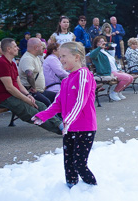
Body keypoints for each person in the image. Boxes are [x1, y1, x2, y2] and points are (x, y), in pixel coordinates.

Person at [33, 42, 98, 188]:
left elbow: (81, 101)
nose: (60, 59)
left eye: (63, 56)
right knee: (68, 163)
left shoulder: (83, 75)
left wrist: (67, 120)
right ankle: (71, 189)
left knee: (79, 163)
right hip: (69, 128)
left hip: (85, 127)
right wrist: (43, 115)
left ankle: (93, 189)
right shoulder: (66, 80)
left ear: (76, 57)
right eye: (59, 56)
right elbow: (58, 103)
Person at [0, 37, 62, 134]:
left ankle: (61, 125)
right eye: (15, 46)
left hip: (14, 95)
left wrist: (28, 95)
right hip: (4, 98)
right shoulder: (1, 63)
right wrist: (25, 99)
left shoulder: (12, 63)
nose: (18, 48)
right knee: (33, 113)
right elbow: (9, 88)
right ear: (8, 49)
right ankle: (62, 131)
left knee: (41, 105)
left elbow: (18, 83)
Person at [88, 35, 133, 101]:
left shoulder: (106, 52)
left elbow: (113, 62)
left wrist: (119, 69)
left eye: (103, 41)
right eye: (100, 42)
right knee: (126, 78)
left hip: (115, 71)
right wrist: (99, 47)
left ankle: (119, 91)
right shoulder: (96, 52)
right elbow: (92, 55)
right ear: (96, 44)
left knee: (131, 78)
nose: (102, 43)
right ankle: (114, 92)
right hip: (107, 72)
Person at [19, 37, 56, 106]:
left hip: (40, 91)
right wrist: (34, 88)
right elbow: (29, 74)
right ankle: (54, 117)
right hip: (31, 92)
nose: (43, 47)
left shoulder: (35, 57)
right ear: (36, 47)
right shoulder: (28, 58)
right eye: (41, 45)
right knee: (47, 103)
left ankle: (62, 117)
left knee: (58, 97)